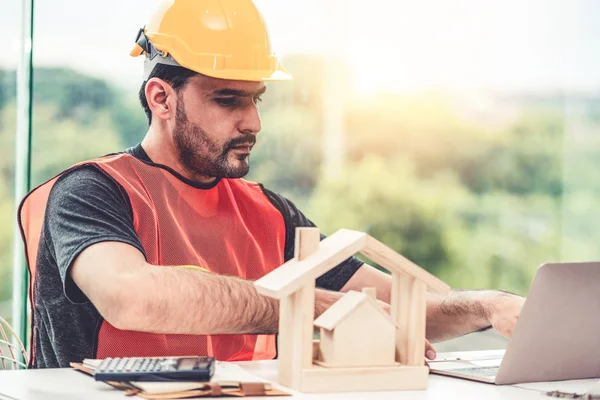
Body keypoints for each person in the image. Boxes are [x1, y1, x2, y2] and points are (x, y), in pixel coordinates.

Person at [19, 0, 524, 369]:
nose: (253, 122)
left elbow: (396, 308)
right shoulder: (91, 192)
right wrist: (301, 308)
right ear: (161, 98)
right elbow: (131, 297)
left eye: (256, 99)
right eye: (228, 100)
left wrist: (486, 305)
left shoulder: (270, 213)